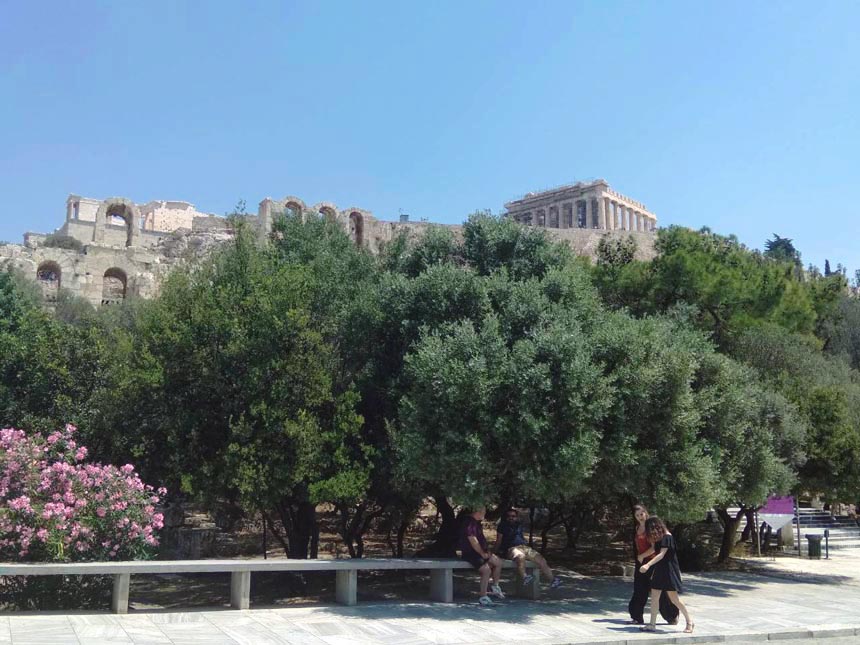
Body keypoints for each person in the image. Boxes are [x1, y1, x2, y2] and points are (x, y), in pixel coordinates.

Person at [639, 516, 694, 633]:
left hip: (669, 571)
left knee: (674, 599)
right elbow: (655, 550)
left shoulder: (667, 537)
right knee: (654, 598)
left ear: (656, 526)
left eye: (651, 529)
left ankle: (689, 622)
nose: (650, 532)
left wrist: (648, 565)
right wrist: (643, 556)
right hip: (659, 570)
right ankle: (652, 624)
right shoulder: (659, 538)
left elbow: (661, 554)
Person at [627, 505, 678, 625]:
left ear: (646, 513)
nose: (640, 517)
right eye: (637, 515)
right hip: (641, 562)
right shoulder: (637, 528)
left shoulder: (652, 528)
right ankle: (637, 617)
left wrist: (643, 556)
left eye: (642, 514)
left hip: (653, 562)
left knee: (659, 592)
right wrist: (639, 558)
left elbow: (655, 548)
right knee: (639, 589)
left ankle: (671, 616)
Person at [494, 508, 561, 588]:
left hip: (524, 547)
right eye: (508, 516)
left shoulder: (518, 525)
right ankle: (525, 577)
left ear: (516, 517)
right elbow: (499, 540)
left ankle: (552, 580)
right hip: (511, 548)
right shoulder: (502, 526)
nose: (511, 517)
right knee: (520, 556)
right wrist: (495, 552)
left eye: (513, 516)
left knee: (541, 559)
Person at [458, 507, 505, 606]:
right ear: (477, 512)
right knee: (486, 569)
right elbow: (473, 541)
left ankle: (495, 586)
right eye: (484, 512)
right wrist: (482, 554)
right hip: (471, 553)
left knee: (498, 562)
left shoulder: (477, 523)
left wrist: (486, 551)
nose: (485, 514)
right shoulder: (469, 523)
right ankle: (483, 597)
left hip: (480, 552)